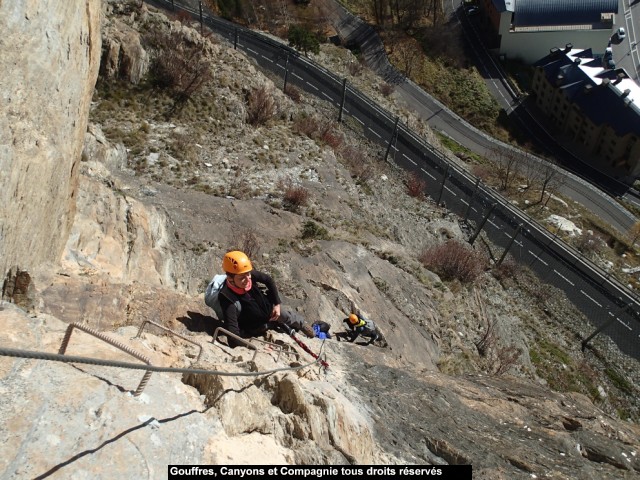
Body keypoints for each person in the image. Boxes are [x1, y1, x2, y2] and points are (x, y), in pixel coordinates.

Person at [217, 250, 315, 346]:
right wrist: (251, 348)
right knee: (276, 322)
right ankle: (276, 325)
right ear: (230, 279)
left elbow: (268, 280)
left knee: (286, 315)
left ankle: (302, 325)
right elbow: (232, 333)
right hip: (256, 325)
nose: (247, 279)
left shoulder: (247, 275)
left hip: (270, 311)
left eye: (248, 274)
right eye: (242, 277)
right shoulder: (227, 297)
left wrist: (276, 304)